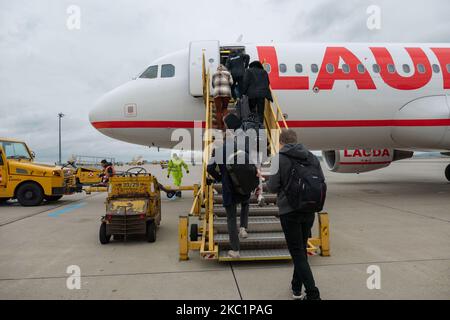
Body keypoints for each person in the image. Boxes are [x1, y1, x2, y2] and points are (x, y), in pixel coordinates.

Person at [267, 129, 323, 300]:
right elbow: (320, 179)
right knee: (301, 250)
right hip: (309, 207)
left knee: (297, 252)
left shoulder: (279, 158)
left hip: (289, 210)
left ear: (281, 142)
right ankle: (296, 288)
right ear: (296, 140)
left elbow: (272, 187)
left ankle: (313, 294)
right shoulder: (311, 157)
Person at [207, 117, 258, 259]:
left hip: (229, 188)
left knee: (230, 218)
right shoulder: (243, 148)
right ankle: (243, 228)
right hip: (243, 185)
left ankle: (235, 250)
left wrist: (219, 177)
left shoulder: (219, 151)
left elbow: (209, 168)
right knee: (245, 204)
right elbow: (251, 166)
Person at [242, 61, 273, 125]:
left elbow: (245, 82)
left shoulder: (248, 71)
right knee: (260, 112)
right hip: (262, 95)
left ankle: (253, 125)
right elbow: (267, 82)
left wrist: (243, 93)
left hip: (252, 95)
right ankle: (260, 126)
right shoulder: (264, 72)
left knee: (252, 110)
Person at [212, 65, 233, 130]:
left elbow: (213, 84)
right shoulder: (228, 73)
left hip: (217, 93)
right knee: (224, 109)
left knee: (218, 111)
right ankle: (225, 126)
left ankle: (219, 127)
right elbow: (231, 83)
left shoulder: (214, 74)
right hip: (226, 92)